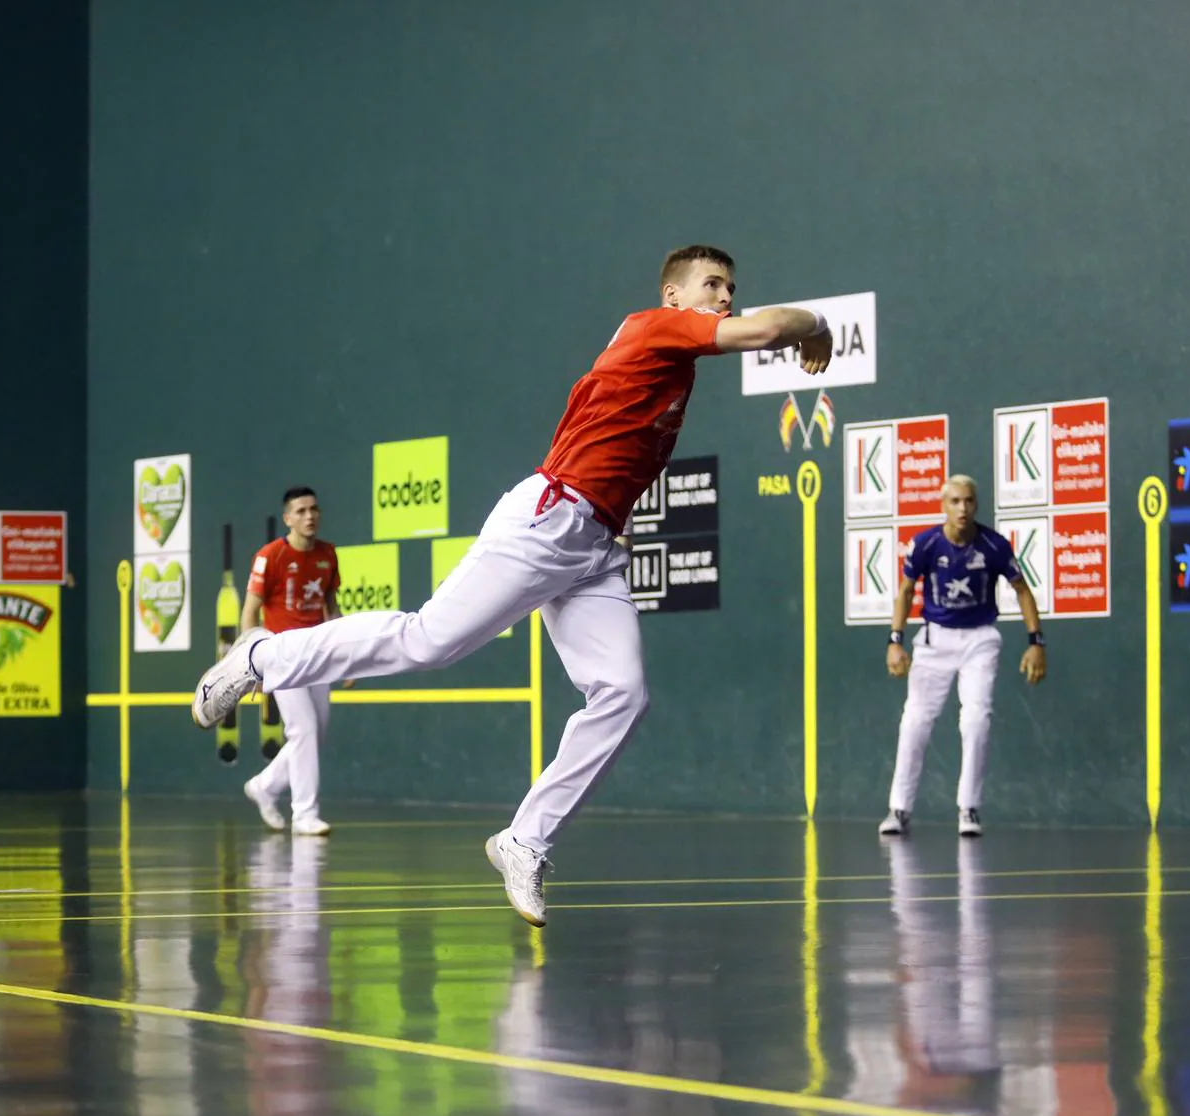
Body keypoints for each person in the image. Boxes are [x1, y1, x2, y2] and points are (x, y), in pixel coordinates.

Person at [191, 245, 832, 925]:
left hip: (593, 549)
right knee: (426, 641)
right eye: (711, 285)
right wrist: (816, 324)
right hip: (546, 521)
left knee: (623, 693)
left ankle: (525, 838)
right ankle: (261, 657)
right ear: (672, 296)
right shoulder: (653, 326)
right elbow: (765, 330)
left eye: (731, 287)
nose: (725, 296)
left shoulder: (675, 359)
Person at [879, 476, 1046, 838]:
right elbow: (906, 591)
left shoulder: (994, 545)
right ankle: (899, 808)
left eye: (969, 501)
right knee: (915, 722)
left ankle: (968, 808)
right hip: (934, 641)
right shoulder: (925, 544)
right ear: (943, 505)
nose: (963, 509)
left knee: (975, 720)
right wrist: (895, 641)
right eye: (955, 501)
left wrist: (1036, 642)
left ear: (977, 505)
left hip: (980, 640)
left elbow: (1022, 591)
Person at [238, 487, 342, 836]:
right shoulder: (270, 555)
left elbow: (332, 606)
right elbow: (250, 612)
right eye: (300, 511)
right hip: (282, 654)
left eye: (314, 509)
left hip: (320, 654)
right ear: (287, 518)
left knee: (313, 736)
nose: (309, 516)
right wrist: (250, 663)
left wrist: (348, 655)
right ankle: (304, 814)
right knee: (303, 731)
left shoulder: (328, 554)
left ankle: (265, 786)